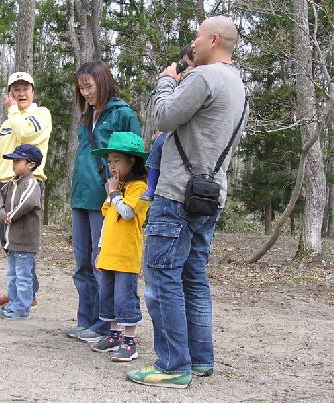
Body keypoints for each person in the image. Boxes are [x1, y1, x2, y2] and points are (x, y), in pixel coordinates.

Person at [127, 16, 248, 388]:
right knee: (193, 278)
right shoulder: (239, 85)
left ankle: (172, 365)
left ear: (213, 39)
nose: (192, 43)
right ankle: (199, 360)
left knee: (163, 277)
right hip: (209, 196)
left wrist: (166, 81)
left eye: (197, 36)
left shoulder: (203, 77)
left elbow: (164, 114)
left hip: (177, 194)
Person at [68, 61, 142, 343]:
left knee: (103, 262)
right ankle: (86, 319)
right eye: (81, 88)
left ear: (103, 81)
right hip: (81, 194)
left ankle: (104, 324)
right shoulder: (87, 116)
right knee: (82, 262)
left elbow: (135, 153)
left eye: (89, 85)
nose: (85, 92)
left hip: (109, 198)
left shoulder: (122, 113)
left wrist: (120, 191)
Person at [0, 72, 52, 308]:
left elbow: (26, 134)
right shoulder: (7, 122)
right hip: (6, 184)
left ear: (32, 92)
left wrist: (13, 111)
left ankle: (27, 293)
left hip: (28, 182)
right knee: (8, 243)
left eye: (25, 88)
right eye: (16, 89)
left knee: (22, 242)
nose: (21, 93)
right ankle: (20, 291)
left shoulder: (41, 114)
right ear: (10, 93)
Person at [89, 131, 149, 362]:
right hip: (110, 253)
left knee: (125, 297)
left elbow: (125, 213)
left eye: (117, 160)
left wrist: (113, 192)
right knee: (109, 296)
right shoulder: (118, 188)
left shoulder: (139, 188)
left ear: (131, 161)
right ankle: (114, 335)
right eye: (110, 160)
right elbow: (107, 222)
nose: (112, 165)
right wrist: (101, 249)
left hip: (126, 254)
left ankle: (129, 342)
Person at [141, 45, 195, 201]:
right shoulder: (179, 85)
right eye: (182, 64)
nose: (183, 70)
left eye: (187, 65)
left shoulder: (197, 85)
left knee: (161, 142)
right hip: (170, 131)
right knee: (158, 143)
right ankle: (151, 186)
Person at [0, 144, 43, 320]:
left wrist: (11, 216)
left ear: (30, 164)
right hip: (11, 240)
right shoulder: (10, 184)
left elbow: (28, 202)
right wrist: (3, 215)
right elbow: (0, 202)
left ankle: (22, 307)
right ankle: (14, 303)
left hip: (25, 240)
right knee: (12, 275)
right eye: (13, 161)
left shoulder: (32, 183)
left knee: (23, 276)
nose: (14, 164)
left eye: (17, 161)